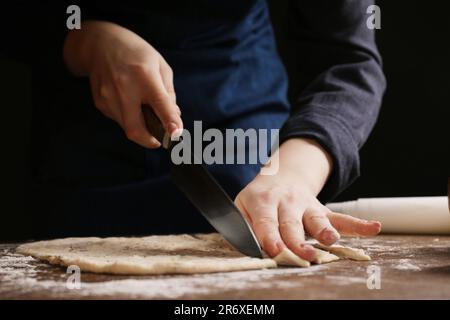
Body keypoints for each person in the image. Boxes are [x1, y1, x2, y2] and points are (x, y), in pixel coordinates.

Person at [4, 0, 385, 262]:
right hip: (85, 166)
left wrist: (294, 175)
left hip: (246, 156)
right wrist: (82, 39)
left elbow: (347, 61)